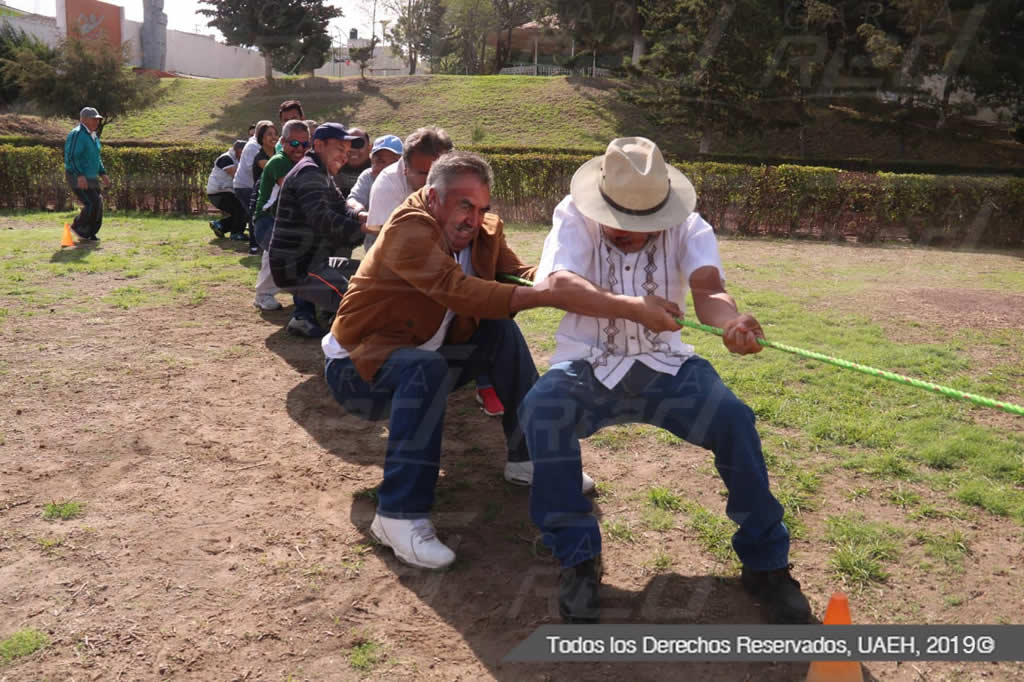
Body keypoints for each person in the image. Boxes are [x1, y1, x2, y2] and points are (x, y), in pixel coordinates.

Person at [518, 137, 812, 625]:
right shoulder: (573, 215)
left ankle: (767, 564)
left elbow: (709, 290)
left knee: (733, 419)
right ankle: (578, 558)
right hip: (589, 362)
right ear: (600, 200)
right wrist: (632, 308)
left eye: (642, 222)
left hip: (668, 365)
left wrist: (730, 324)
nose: (628, 231)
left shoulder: (689, 225)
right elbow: (557, 285)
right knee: (542, 409)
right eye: (619, 220)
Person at [323, 152, 602, 571]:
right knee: (425, 366)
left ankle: (527, 458)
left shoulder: (484, 233)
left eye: (482, 208)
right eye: (464, 206)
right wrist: (546, 296)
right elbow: (457, 291)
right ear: (433, 197)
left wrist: (570, 283)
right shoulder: (409, 228)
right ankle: (396, 516)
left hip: (426, 354)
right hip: (358, 371)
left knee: (499, 331)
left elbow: (516, 275)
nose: (473, 219)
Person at [362, 127, 505, 418]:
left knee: (497, 325)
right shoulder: (388, 187)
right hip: (402, 282)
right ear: (404, 168)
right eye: (422, 173)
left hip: (444, 281)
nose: (432, 178)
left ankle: (487, 383)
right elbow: (389, 248)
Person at [268, 123, 366, 337]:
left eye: (348, 152)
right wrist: (363, 228)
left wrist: (361, 216)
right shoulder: (309, 172)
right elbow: (322, 219)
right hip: (298, 266)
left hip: (312, 260)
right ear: (319, 145)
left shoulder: (319, 171)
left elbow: (341, 205)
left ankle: (341, 330)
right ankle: (347, 355)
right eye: (340, 149)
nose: (345, 156)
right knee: (356, 300)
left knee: (366, 275)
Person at [252, 120, 310, 312]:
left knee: (276, 253)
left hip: (283, 220)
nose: (300, 148)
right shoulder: (279, 162)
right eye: (294, 143)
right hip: (266, 220)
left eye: (305, 144)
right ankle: (266, 294)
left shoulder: (303, 162)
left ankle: (266, 292)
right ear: (283, 142)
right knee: (283, 250)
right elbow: (294, 192)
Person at [63, 107, 110, 242]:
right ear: (83, 119)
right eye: (93, 119)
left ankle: (90, 233)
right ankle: (77, 227)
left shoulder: (93, 135)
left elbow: (96, 157)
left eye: (98, 119)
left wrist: (103, 173)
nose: (97, 122)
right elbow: (71, 156)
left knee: (98, 203)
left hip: (91, 176)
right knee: (91, 202)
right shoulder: (77, 134)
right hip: (76, 176)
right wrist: (79, 175)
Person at [346, 134, 403, 239]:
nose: (375, 167)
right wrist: (361, 213)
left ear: (399, 162)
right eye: (374, 161)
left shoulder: (409, 180)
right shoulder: (368, 176)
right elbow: (352, 199)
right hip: (374, 248)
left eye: (382, 161)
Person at [233, 119, 272, 246]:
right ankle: (255, 245)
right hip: (245, 186)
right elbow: (252, 168)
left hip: (252, 185)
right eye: (268, 133)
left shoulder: (261, 145)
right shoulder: (253, 146)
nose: (272, 136)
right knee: (255, 213)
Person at [206, 140, 248, 239]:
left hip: (225, 192)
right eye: (244, 152)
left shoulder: (237, 159)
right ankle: (236, 233)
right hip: (219, 192)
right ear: (237, 150)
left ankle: (220, 226)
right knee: (241, 208)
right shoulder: (226, 158)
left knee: (242, 210)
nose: (245, 155)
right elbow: (237, 176)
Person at [334, 128, 371, 198]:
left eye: (359, 144)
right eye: (349, 144)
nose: (353, 150)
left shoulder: (380, 169)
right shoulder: (331, 169)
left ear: (370, 148)